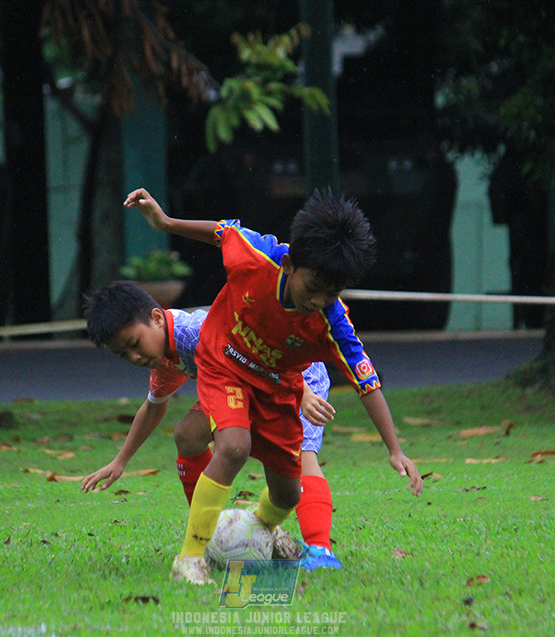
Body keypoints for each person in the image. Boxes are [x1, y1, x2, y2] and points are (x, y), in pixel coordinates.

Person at [123, 187, 423, 585]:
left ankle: (262, 527)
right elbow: (220, 232)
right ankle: (190, 557)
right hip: (223, 364)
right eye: (312, 287)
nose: (318, 301)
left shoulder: (334, 323)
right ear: (291, 265)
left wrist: (394, 448)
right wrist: (165, 223)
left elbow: (366, 383)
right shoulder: (258, 255)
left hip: (277, 386)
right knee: (233, 446)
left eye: (330, 293)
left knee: (288, 493)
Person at [78, 281, 343, 569]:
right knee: (188, 434)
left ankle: (320, 551)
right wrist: (120, 461)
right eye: (124, 354)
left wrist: (302, 392)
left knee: (301, 461)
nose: (135, 358)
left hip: (295, 374)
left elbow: (263, 347)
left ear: (156, 318)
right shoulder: (164, 356)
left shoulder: (196, 332)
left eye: (134, 344)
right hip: (241, 383)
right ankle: (214, 533)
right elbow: (153, 408)